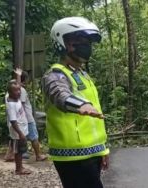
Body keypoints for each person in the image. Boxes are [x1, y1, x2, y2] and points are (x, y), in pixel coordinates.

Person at [42, 17, 110, 188]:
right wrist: (80, 105)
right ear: (63, 43)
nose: (85, 46)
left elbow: (94, 123)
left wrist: (103, 150)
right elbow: (59, 94)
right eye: (78, 41)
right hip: (72, 157)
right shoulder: (55, 74)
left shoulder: (82, 75)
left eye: (87, 42)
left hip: (91, 154)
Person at [14, 69, 47, 161]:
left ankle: (19, 154)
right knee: (34, 137)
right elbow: (22, 105)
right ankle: (38, 155)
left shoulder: (12, 90)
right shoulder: (22, 90)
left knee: (19, 136)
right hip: (27, 118)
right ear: (25, 80)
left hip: (19, 118)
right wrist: (24, 118)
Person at [5, 80, 31, 175]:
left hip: (22, 130)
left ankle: (20, 166)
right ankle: (18, 169)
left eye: (19, 90)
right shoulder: (11, 104)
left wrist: (18, 76)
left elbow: (17, 85)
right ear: (10, 93)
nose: (19, 92)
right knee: (18, 151)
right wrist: (20, 134)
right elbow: (13, 121)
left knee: (21, 149)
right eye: (16, 91)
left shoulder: (16, 98)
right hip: (17, 133)